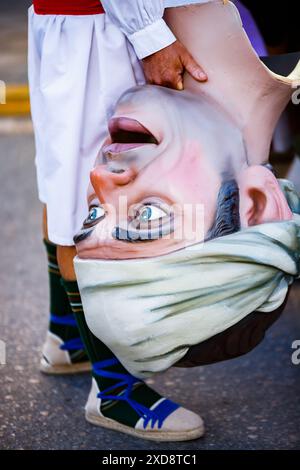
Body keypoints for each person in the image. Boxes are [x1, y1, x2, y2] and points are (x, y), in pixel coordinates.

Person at [28, 0, 218, 441]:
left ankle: (67, 338)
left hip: (79, 25)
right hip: (101, 29)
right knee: (91, 202)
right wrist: (149, 33)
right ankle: (114, 392)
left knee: (65, 183)